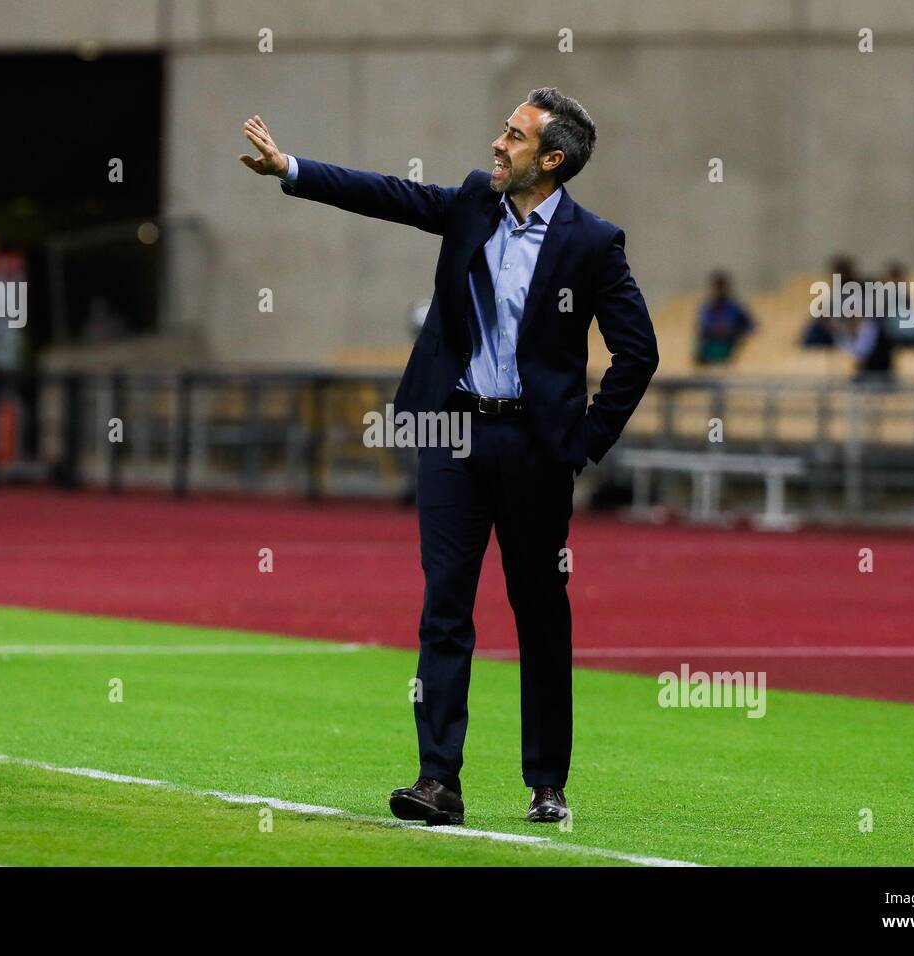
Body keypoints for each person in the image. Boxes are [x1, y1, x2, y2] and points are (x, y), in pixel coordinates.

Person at [240, 88, 659, 825]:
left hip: (535, 448)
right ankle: (439, 782)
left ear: (552, 159)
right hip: (452, 436)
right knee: (444, 609)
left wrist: (584, 442)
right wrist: (290, 168)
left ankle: (546, 782)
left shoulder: (593, 244)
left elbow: (638, 353)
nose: (498, 143)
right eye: (503, 130)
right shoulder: (472, 201)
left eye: (515, 135)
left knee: (539, 613)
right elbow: (390, 195)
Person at [694, 269, 754, 365]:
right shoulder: (707, 308)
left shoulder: (734, 307)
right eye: (717, 288)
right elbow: (701, 329)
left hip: (729, 346)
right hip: (711, 347)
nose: (719, 291)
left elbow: (751, 325)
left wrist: (737, 332)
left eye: (721, 287)